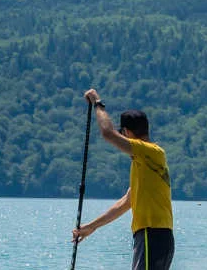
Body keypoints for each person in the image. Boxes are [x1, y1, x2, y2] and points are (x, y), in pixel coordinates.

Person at [72, 89, 174, 270]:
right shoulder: (145, 164)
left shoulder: (150, 152)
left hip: (153, 235)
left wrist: (97, 103)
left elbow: (108, 133)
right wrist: (92, 226)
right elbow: (126, 202)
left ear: (127, 132)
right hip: (152, 237)